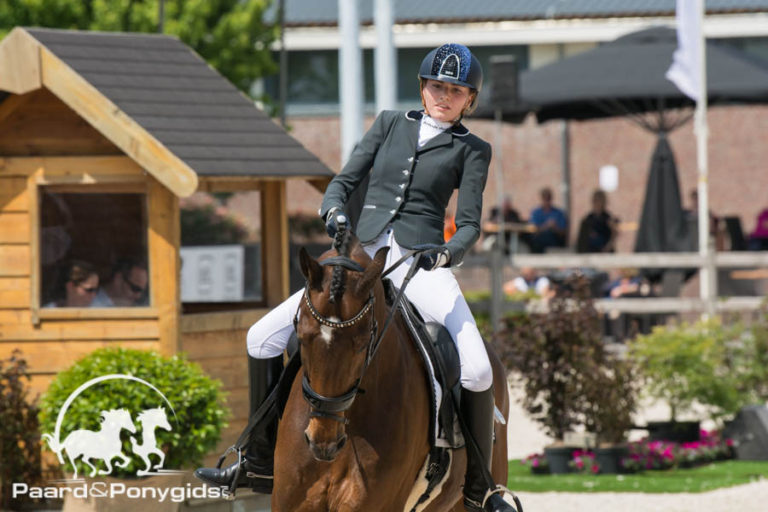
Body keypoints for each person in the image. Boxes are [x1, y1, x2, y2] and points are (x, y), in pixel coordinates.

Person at [195, 44, 514, 511]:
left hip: (419, 263)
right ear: (423, 88)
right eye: (437, 86)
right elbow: (344, 182)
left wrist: (448, 253)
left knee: (480, 367)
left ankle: (481, 488)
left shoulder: (472, 149)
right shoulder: (388, 124)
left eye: (455, 90)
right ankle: (256, 457)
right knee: (261, 336)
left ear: (470, 99)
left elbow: (468, 223)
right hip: (358, 255)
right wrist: (334, 211)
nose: (444, 96)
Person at [529, 187, 567, 253]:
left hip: (554, 239)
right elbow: (533, 231)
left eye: (548, 199)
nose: (547, 201)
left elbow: (563, 233)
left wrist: (555, 227)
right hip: (539, 240)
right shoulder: (536, 213)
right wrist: (546, 226)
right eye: (545, 199)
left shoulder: (558, 213)